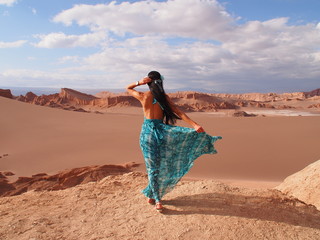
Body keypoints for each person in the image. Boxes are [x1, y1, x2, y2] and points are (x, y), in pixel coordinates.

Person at [126, 71, 221, 212]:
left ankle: (152, 194)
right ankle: (157, 198)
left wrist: (139, 82)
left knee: (154, 167)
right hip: (158, 133)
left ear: (149, 82)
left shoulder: (143, 96)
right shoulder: (161, 98)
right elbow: (179, 113)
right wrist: (194, 125)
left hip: (148, 134)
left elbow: (128, 88)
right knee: (154, 167)